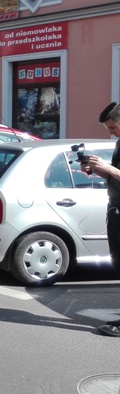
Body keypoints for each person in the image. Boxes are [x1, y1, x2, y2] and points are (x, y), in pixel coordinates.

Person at [83, 102, 120, 337]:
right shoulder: (119, 144)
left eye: (114, 127)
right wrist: (95, 169)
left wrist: (106, 167)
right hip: (115, 209)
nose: (111, 132)